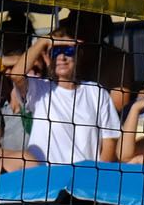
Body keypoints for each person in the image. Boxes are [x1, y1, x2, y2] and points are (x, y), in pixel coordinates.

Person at [15, 31, 119, 165]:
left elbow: (110, 140)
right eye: (55, 51)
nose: (62, 57)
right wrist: (43, 42)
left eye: (68, 50)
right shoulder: (39, 89)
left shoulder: (96, 92)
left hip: (83, 179)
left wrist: (96, 177)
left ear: (78, 56)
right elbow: (16, 75)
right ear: (47, 58)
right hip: (47, 178)